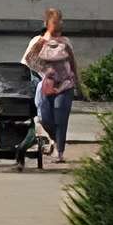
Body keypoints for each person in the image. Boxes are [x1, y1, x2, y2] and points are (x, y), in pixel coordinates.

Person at [22, 9, 80, 162]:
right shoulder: (39, 42)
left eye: (61, 21)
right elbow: (28, 60)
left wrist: (79, 86)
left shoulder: (66, 43)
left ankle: (59, 152)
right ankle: (55, 140)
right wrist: (45, 70)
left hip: (65, 86)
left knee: (60, 115)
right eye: (56, 21)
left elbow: (73, 64)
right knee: (44, 117)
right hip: (46, 86)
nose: (60, 24)